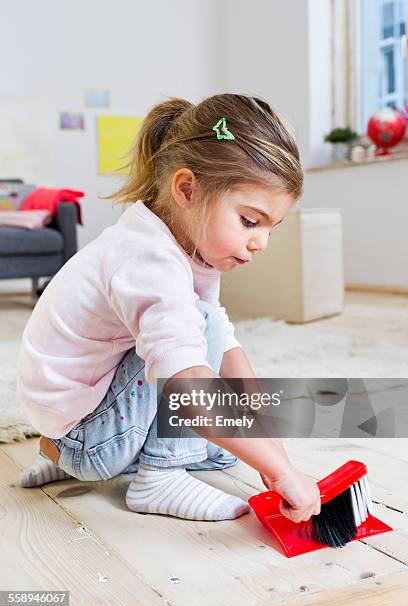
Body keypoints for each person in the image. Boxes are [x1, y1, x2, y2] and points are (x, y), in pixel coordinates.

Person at [17, 93, 321, 523]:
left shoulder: (185, 245)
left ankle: (69, 454)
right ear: (186, 189)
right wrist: (282, 471)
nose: (260, 243)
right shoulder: (148, 260)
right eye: (250, 221)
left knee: (222, 453)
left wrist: (273, 452)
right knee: (197, 333)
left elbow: (229, 353)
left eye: (271, 227)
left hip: (72, 423)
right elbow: (187, 380)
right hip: (87, 435)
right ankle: (159, 476)